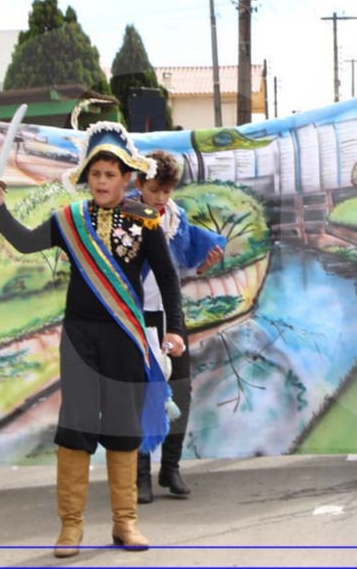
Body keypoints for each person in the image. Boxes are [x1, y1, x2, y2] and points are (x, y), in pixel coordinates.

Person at [0, 122, 186, 556]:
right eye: (95, 175)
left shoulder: (146, 220)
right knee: (75, 425)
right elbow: (25, 240)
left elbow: (167, 277)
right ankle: (70, 528)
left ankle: (125, 523)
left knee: (123, 426)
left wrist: (175, 329)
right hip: (79, 336)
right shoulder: (70, 220)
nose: (102, 182)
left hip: (125, 337)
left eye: (111, 175)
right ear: (86, 178)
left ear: (128, 177)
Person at [130, 150, 226, 503]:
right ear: (139, 184)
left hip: (170, 316)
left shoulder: (176, 219)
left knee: (180, 390)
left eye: (166, 192)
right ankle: (140, 474)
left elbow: (180, 268)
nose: (159, 198)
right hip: (136, 315)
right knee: (140, 394)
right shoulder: (126, 215)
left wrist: (201, 268)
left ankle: (171, 468)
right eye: (154, 190)